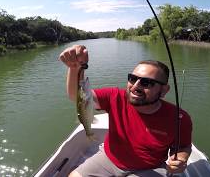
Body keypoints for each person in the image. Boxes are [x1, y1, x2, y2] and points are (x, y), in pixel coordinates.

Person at [59, 45, 192, 177]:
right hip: (109, 159)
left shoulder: (179, 118)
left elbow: (184, 147)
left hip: (149, 168)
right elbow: (76, 96)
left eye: (146, 83)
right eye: (132, 78)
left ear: (164, 90)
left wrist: (181, 159)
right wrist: (76, 67)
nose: (135, 86)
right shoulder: (115, 96)